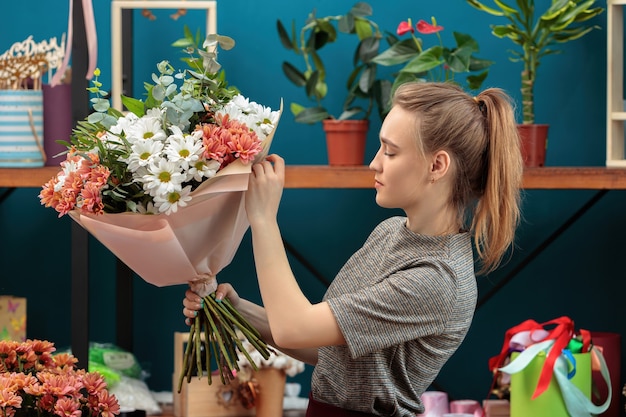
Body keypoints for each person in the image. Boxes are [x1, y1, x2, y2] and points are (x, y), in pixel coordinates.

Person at [182, 81, 524, 416]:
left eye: (390, 152)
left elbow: (294, 326)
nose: (375, 163)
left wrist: (263, 219)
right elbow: (326, 345)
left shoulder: (437, 279)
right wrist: (236, 310)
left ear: (437, 166)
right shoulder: (391, 232)